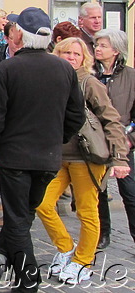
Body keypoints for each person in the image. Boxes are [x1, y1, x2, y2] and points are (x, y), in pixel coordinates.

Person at [0, 7, 84, 293]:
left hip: (15, 157)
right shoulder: (63, 68)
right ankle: (0, 257)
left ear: (20, 36)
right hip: (47, 156)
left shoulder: (7, 69)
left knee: (17, 219)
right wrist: (55, 138)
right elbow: (77, 116)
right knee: (23, 215)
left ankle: (28, 280)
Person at [35, 37, 129, 285]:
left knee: (87, 211)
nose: (72, 58)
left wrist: (120, 157)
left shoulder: (89, 83)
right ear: (58, 54)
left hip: (87, 157)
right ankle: (66, 247)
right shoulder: (51, 81)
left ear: (83, 58)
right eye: (67, 53)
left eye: (77, 54)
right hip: (57, 156)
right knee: (42, 203)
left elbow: (111, 119)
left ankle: (84, 261)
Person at [93, 28, 135, 249]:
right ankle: (102, 234)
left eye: (103, 45)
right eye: (97, 45)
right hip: (95, 142)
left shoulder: (131, 76)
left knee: (130, 193)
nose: (97, 49)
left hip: (123, 143)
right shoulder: (91, 74)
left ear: (116, 51)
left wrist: (130, 139)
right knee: (99, 192)